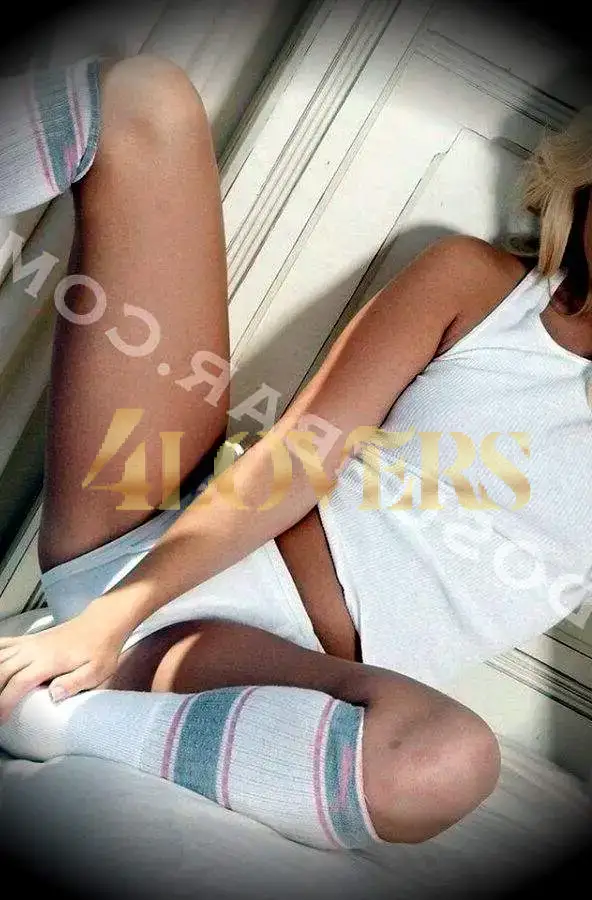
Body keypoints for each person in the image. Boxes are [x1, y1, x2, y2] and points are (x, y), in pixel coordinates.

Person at [0, 54, 590, 851]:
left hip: (253, 667)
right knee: (144, 101)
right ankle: (74, 662)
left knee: (445, 761)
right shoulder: (480, 284)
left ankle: (54, 720)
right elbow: (299, 458)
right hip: (147, 538)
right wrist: (109, 616)